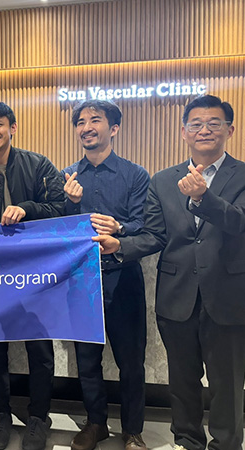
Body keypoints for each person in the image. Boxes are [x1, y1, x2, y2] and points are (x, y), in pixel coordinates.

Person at [95, 94, 245, 450]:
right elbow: (154, 234)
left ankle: (226, 444)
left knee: (227, 384)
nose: (204, 130)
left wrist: (204, 198)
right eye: (196, 124)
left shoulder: (242, 175)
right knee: (182, 382)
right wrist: (120, 245)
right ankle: (187, 441)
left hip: (227, 297)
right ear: (184, 132)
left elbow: (240, 223)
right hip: (176, 298)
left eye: (214, 124)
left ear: (229, 130)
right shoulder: (163, 180)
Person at [0, 101, 65, 450]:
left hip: (36, 271)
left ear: (12, 127)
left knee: (40, 347)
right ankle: (1, 413)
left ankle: (38, 417)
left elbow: (59, 209)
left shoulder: (39, 164)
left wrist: (26, 209)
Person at [62, 100, 149, 450]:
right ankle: (95, 423)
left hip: (123, 277)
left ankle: (133, 430)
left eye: (95, 120)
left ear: (113, 128)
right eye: (80, 122)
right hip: (82, 280)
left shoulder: (135, 175)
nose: (86, 127)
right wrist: (69, 204)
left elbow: (145, 225)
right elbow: (59, 231)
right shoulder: (67, 176)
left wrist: (120, 227)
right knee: (87, 359)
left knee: (131, 361)